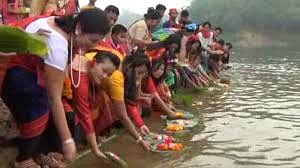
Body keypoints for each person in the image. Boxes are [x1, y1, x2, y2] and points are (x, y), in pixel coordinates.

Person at [1, 8, 110, 168]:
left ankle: (40, 153)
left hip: (28, 67)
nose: (93, 46)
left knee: (61, 114)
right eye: (93, 40)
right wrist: (67, 141)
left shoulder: (66, 24)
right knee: (39, 112)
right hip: (13, 71)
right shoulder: (58, 46)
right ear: (79, 28)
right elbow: (54, 99)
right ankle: (23, 160)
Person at [70, 51, 120, 160]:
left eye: (109, 75)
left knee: (104, 100)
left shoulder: (93, 75)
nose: (104, 76)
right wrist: (95, 150)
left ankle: (95, 135)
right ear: (94, 63)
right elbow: (84, 114)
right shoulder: (81, 75)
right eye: (104, 71)